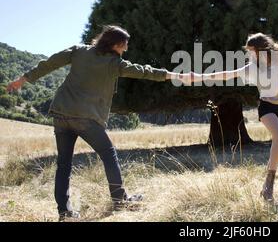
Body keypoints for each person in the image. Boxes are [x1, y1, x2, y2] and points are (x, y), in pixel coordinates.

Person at [7, 25, 190, 221]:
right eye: (124, 45)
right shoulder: (114, 63)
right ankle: (120, 199)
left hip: (61, 113)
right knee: (108, 154)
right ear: (115, 44)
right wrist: (175, 75)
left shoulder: (79, 50)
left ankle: (64, 212)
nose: (125, 49)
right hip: (86, 119)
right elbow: (145, 71)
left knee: (64, 164)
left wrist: (23, 79)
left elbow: (50, 62)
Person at [190, 33, 278, 202]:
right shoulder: (253, 67)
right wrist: (200, 77)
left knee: (277, 148)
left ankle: (268, 184)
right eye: (249, 51)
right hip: (267, 107)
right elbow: (227, 74)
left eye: (252, 51)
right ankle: (269, 186)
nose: (250, 54)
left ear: (263, 49)